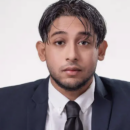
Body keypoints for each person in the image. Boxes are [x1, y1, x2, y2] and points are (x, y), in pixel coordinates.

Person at [0, 0, 130, 130]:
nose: (72, 55)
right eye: (60, 42)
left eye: (84, 43)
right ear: (42, 51)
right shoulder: (4, 105)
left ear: (101, 50)